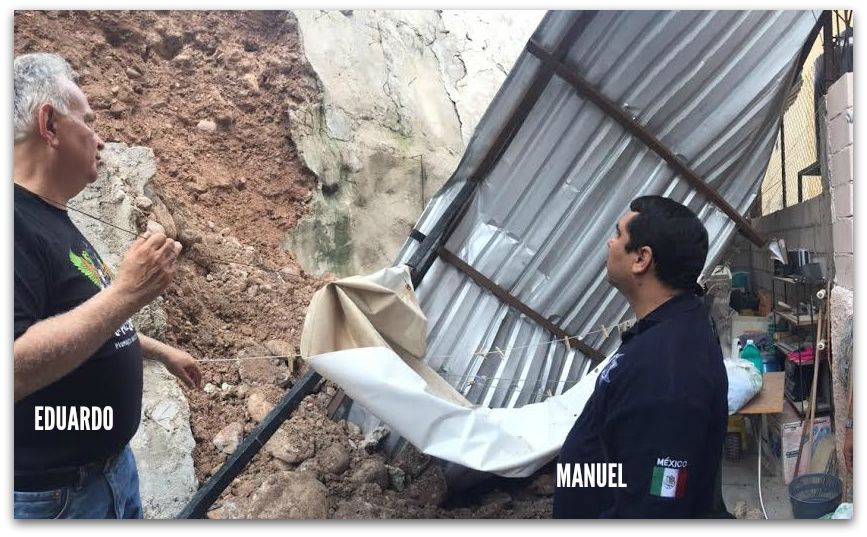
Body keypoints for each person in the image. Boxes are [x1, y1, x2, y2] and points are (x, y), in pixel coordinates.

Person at [13, 52, 202, 519]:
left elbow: (78, 322)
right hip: (55, 500)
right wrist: (127, 292)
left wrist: (161, 351)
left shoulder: (50, 218)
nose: (100, 140)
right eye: (89, 122)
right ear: (49, 125)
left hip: (110, 474)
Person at [553, 195, 728, 518]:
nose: (610, 242)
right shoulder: (666, 330)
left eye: (618, 234)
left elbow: (656, 506)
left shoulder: (668, 369)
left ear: (641, 258)